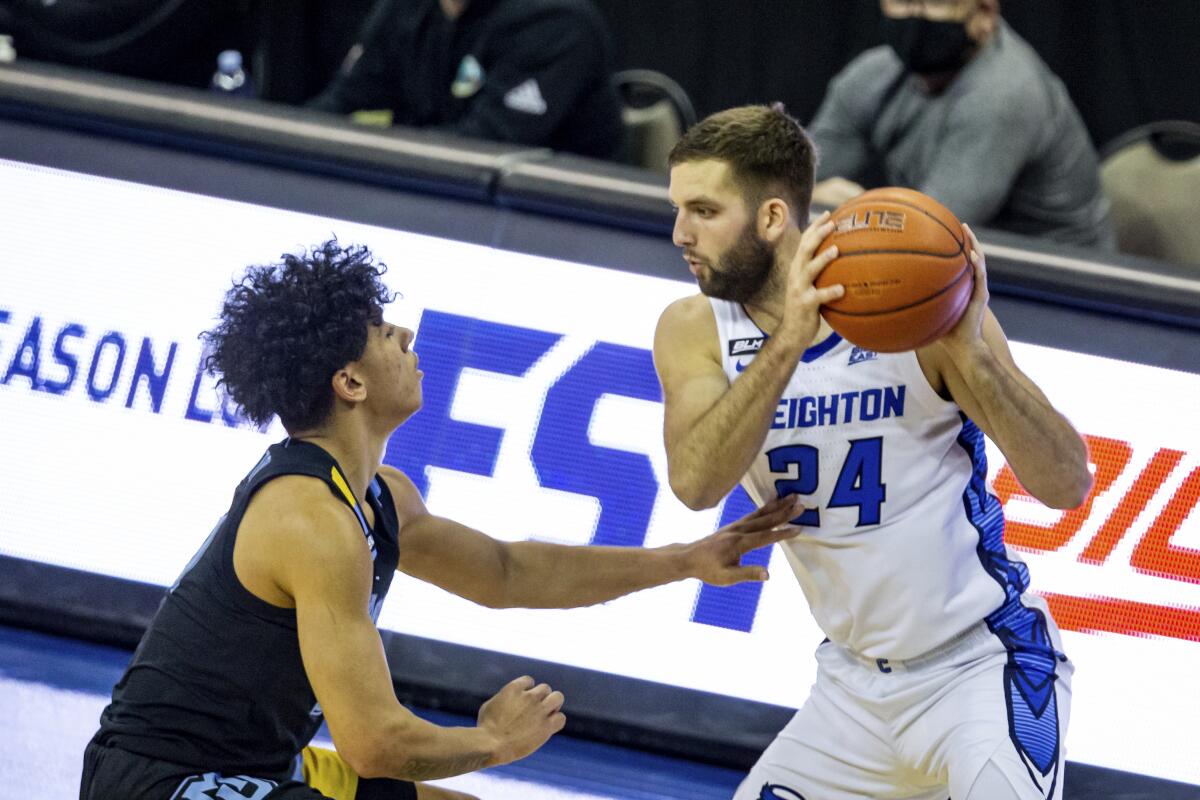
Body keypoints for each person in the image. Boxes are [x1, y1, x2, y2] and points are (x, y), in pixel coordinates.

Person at [79, 241, 804, 800]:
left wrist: (683, 560)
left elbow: (507, 572)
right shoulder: (310, 520)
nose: (399, 331)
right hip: (161, 780)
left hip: (256, 763)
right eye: (377, 330)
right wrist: (490, 741)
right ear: (349, 382)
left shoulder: (377, 496)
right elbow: (372, 745)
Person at [656, 104, 1093, 799]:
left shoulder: (917, 305)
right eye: (678, 208)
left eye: (704, 211)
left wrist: (970, 349)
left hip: (980, 663)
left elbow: (1067, 482)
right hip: (851, 688)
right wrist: (788, 345)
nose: (681, 233)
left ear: (772, 218)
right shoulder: (694, 329)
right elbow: (696, 483)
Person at [809, 0, 1115, 251]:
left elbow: (929, 234)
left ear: (984, 14)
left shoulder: (1004, 94)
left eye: (937, 3)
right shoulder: (872, 76)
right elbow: (792, 184)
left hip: (1057, 287)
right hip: (964, 267)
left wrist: (854, 213)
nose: (917, 15)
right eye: (903, 2)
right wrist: (812, 195)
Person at [307, 0, 624, 160]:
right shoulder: (405, 9)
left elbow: (482, 149)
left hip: (553, 228)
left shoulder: (558, 23)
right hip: (429, 198)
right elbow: (341, 102)